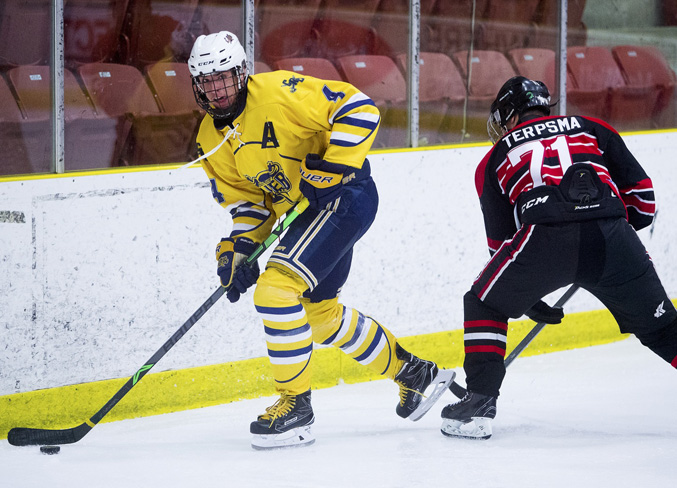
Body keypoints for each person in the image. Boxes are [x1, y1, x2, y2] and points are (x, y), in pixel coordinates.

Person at [187, 31, 454, 450]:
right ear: (196, 84)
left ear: (242, 73)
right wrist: (240, 250)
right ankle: (417, 374)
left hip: (344, 195)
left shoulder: (278, 91)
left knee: (276, 291)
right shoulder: (209, 138)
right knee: (320, 317)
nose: (216, 88)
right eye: (207, 80)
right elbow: (250, 204)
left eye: (224, 76)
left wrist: (332, 165)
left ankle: (295, 407)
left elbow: (359, 108)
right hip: (306, 212)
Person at [440, 76, 677, 440]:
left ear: (509, 114)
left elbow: (501, 247)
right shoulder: (592, 127)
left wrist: (529, 295)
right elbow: (644, 200)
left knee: (483, 302)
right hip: (614, 236)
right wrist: (609, 230)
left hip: (544, 236)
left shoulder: (494, 156)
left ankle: (479, 402)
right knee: (663, 329)